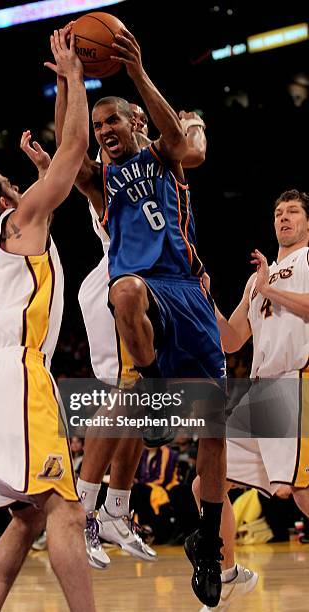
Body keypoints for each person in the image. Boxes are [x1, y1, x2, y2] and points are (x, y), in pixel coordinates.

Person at [56, 25, 226, 607]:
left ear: (135, 122)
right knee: (123, 290)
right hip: (145, 290)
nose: (104, 132)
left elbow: (182, 139)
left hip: (188, 291)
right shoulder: (101, 182)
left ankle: (206, 537)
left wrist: (136, 72)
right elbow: (67, 149)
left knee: (213, 427)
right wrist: (70, 83)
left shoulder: (165, 156)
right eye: (99, 126)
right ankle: (152, 388)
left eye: (113, 122)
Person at [0, 29, 95, 612]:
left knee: (26, 515)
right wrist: (77, 81)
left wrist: (61, 89)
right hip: (17, 372)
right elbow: (72, 153)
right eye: (12, 186)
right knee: (65, 507)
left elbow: (54, 166)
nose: (21, 186)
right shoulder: (19, 220)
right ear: (2, 203)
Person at [193, 189, 309, 610]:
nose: (284, 218)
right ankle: (227, 576)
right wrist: (206, 297)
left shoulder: (308, 259)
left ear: (307, 222)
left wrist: (270, 290)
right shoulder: (258, 278)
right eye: (278, 212)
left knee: (298, 491)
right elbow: (231, 340)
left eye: (293, 212)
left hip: (293, 382)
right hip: (260, 391)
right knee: (207, 482)